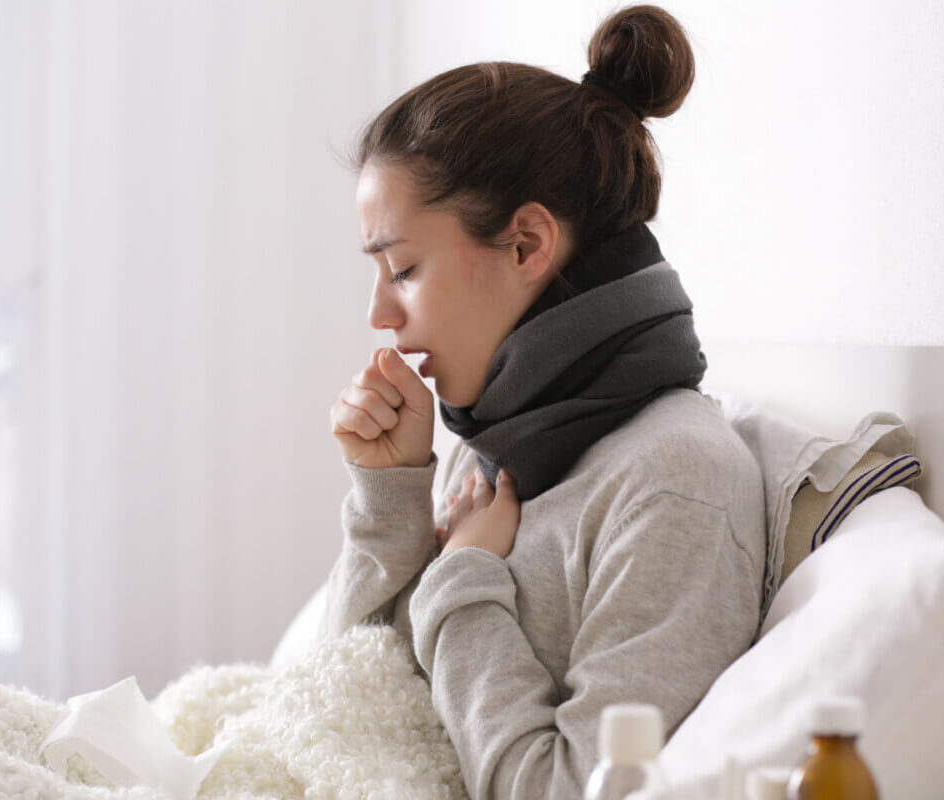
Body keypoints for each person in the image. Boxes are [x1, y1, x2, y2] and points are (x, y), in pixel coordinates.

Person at [323, 5, 766, 799]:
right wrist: (391, 494)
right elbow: (344, 706)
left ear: (527, 244)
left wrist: (461, 578)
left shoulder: (675, 485)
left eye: (404, 269)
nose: (379, 315)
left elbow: (567, 790)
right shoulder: (497, 441)